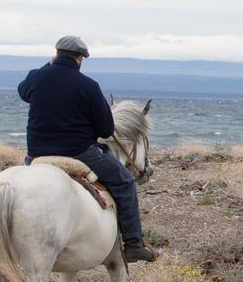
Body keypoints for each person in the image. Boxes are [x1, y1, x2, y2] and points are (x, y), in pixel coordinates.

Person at [18, 36, 158, 262]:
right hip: (79, 152)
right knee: (125, 182)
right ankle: (133, 243)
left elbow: (23, 92)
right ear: (80, 58)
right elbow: (106, 129)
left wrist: (49, 65)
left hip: (37, 152)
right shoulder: (88, 86)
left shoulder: (36, 77)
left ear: (56, 54)